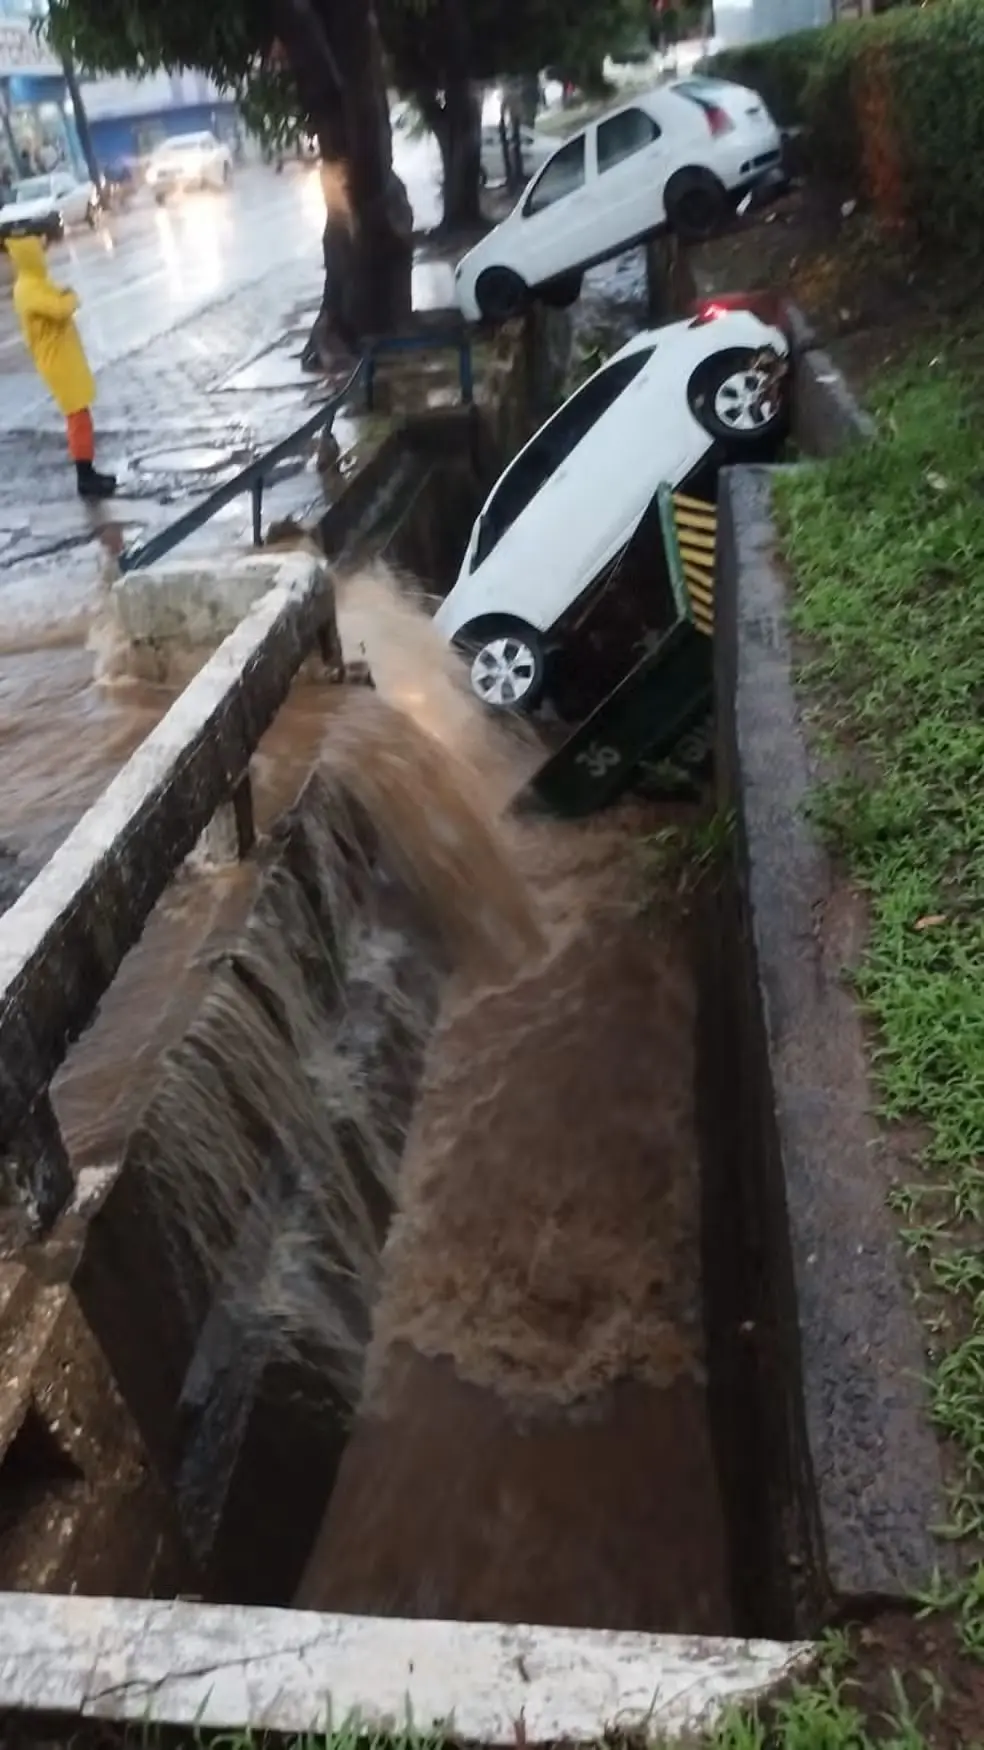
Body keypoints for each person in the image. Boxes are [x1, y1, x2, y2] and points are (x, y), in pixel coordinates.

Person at [6, 235, 116, 499]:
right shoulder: (29, 288)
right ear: (29, 256)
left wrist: (66, 296)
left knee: (81, 416)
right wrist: (71, 297)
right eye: (38, 252)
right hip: (56, 361)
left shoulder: (36, 283)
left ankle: (88, 471)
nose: (42, 255)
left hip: (64, 357)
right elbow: (59, 307)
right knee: (77, 418)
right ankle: (85, 477)